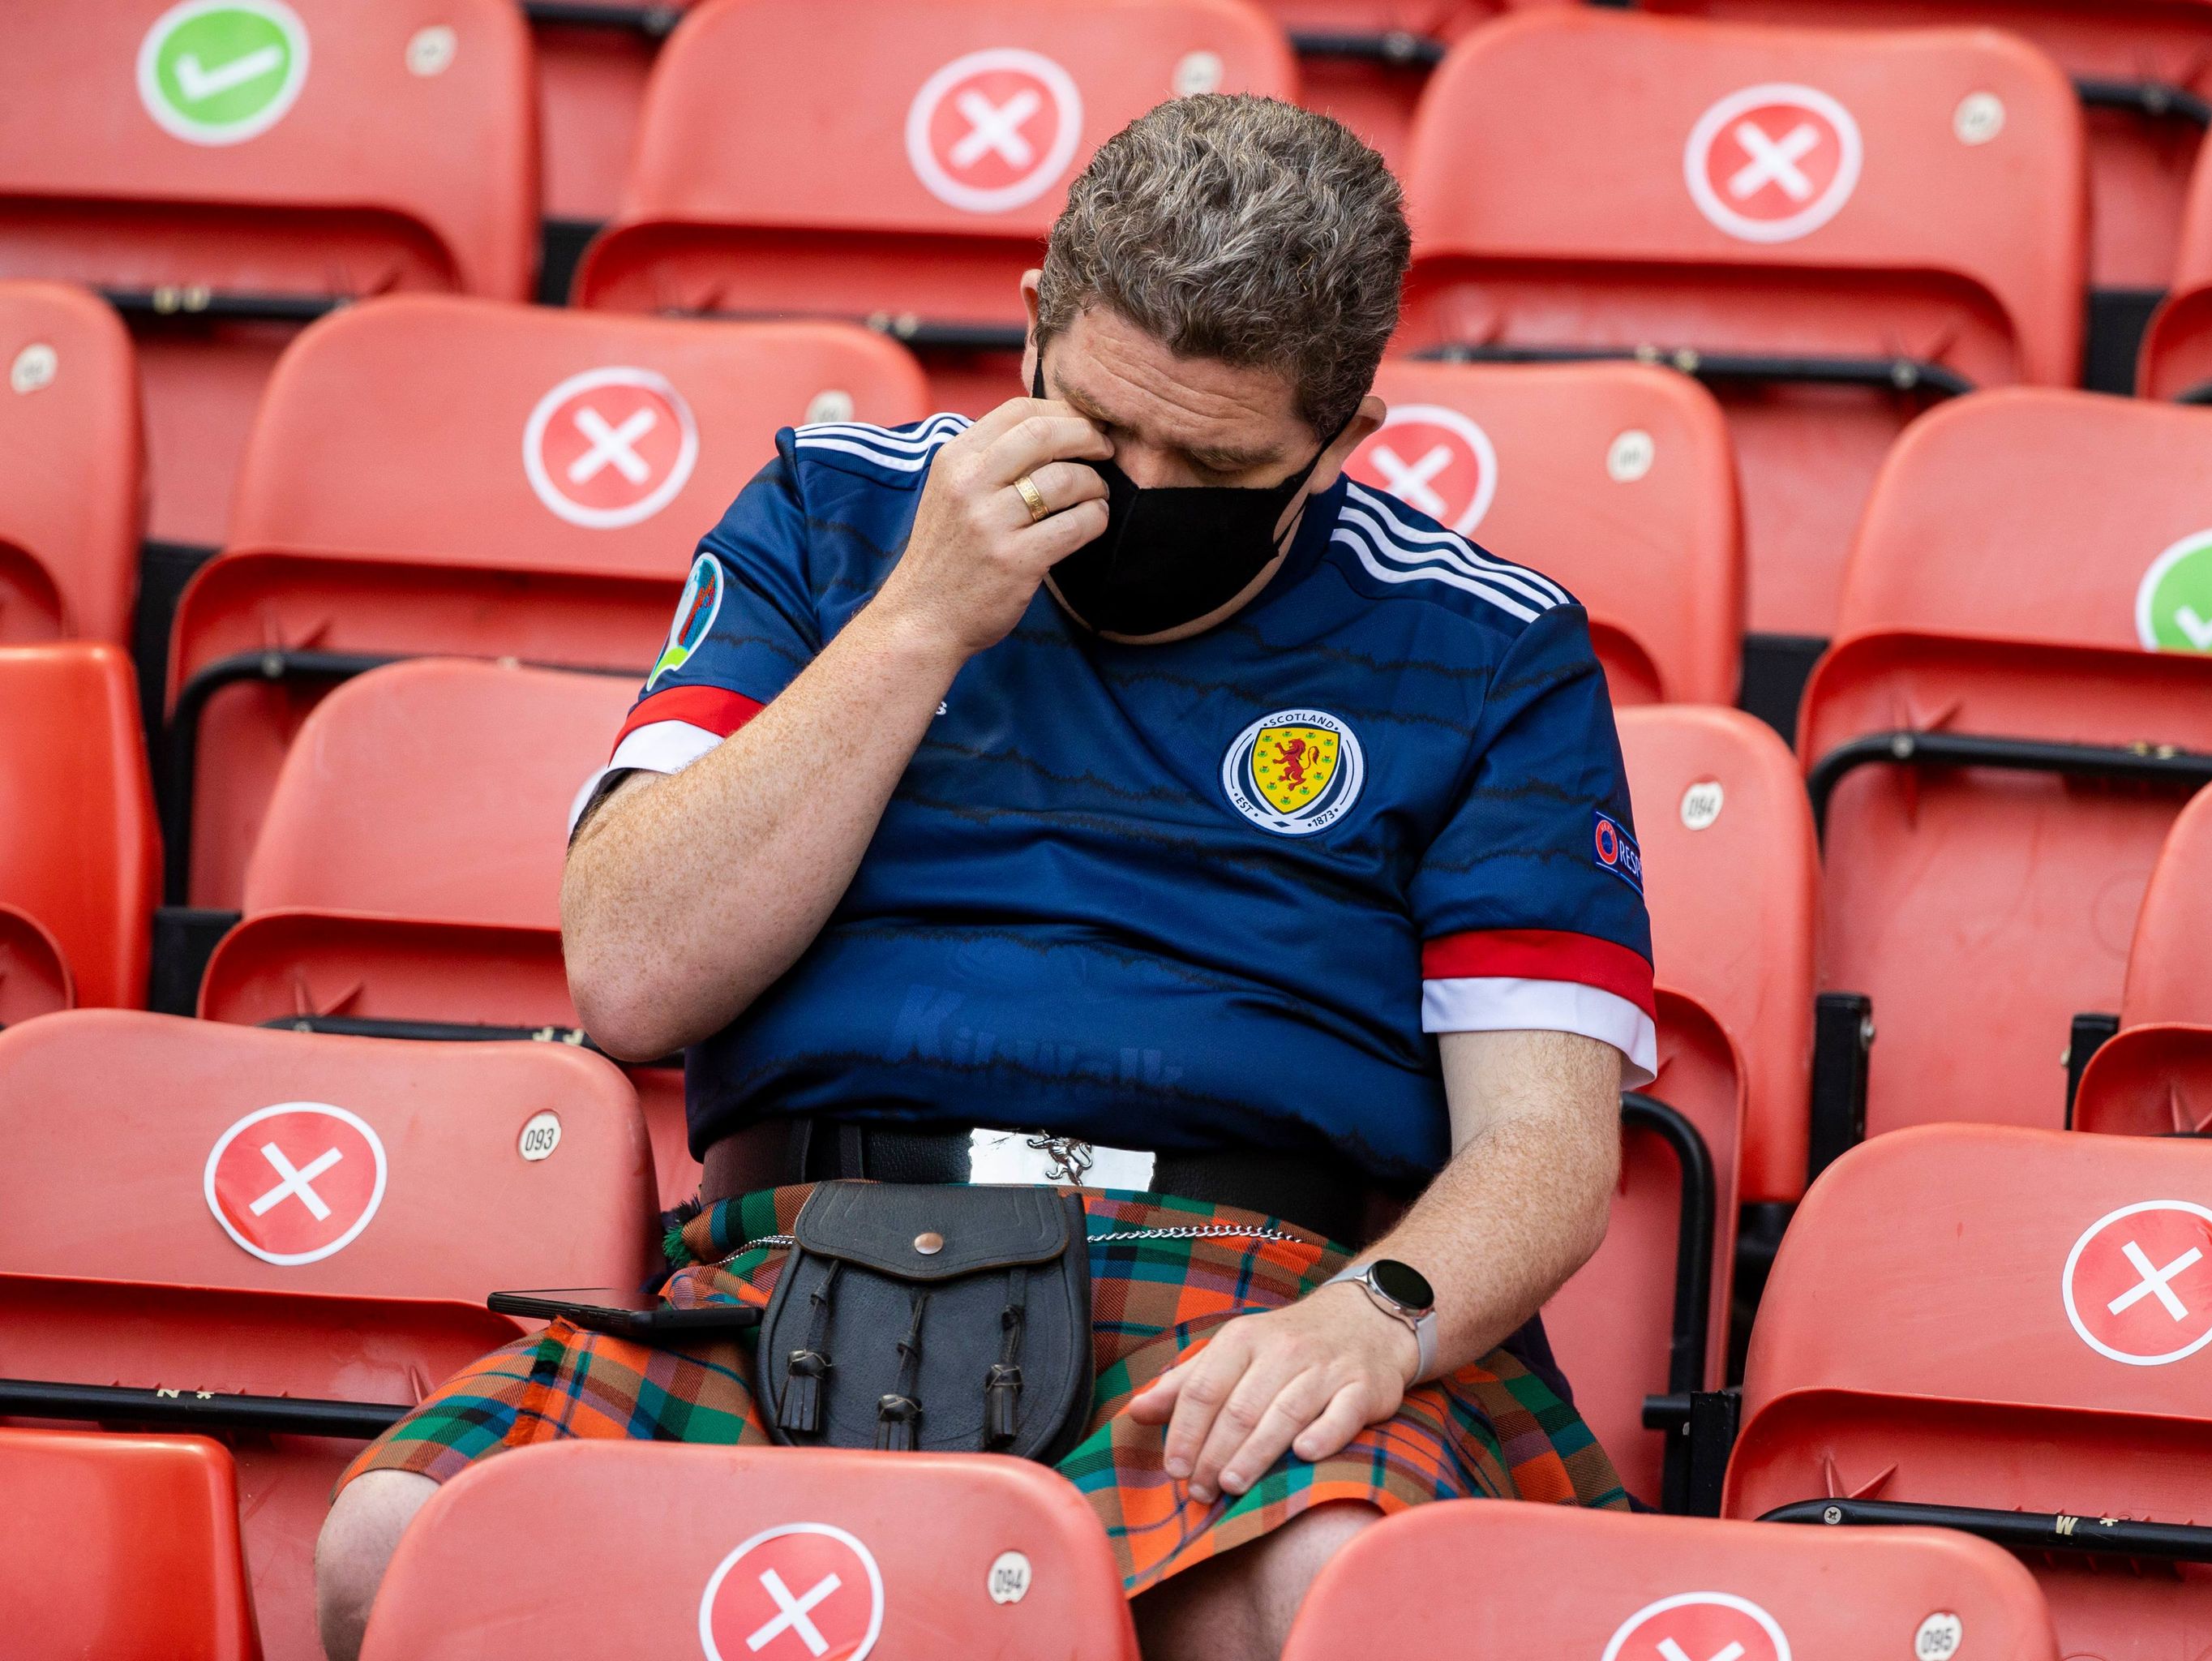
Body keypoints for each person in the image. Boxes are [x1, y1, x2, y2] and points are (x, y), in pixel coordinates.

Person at [315, 93, 1657, 1661]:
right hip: (799, 1250)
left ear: (1346, 439)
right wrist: (917, 621)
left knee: (1322, 1595)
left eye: (1210, 465)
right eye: (1100, 427)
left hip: (1250, 1283)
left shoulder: (1488, 643)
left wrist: (1376, 1316)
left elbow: (1551, 1145)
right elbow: (628, 976)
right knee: (400, 1550)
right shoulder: (828, 514)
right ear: (1030, 329)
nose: (1134, 489)